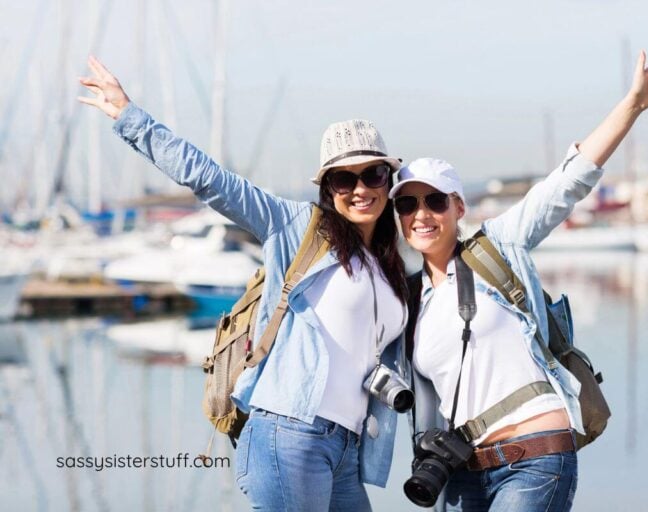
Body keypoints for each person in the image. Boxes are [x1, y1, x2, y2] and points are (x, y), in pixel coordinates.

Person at [78, 56, 409, 511]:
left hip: (348, 447)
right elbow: (211, 180)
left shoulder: (387, 265)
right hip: (290, 432)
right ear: (326, 187)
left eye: (373, 174)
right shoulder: (296, 226)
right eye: (343, 178)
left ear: (389, 179)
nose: (360, 189)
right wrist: (131, 117)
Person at [391, 46, 648, 511]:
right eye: (407, 204)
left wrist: (633, 104)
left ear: (458, 207)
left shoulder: (498, 245)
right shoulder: (410, 299)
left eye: (435, 201)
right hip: (464, 474)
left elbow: (569, 181)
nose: (421, 214)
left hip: (536, 457)